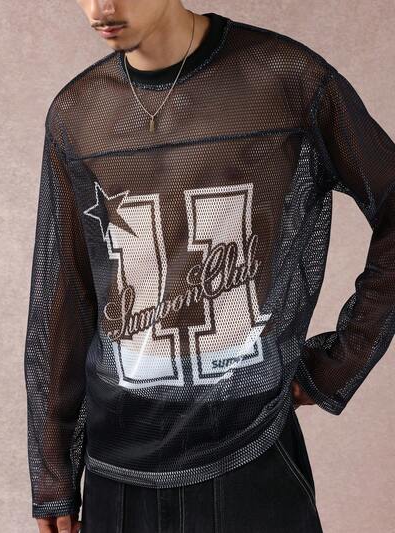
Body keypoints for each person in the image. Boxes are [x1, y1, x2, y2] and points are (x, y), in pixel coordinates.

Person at [23, 1, 395, 532]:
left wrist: (340, 363)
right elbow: (62, 294)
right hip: (117, 465)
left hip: (251, 451)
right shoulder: (76, 112)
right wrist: (52, 472)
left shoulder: (285, 79)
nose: (102, 7)